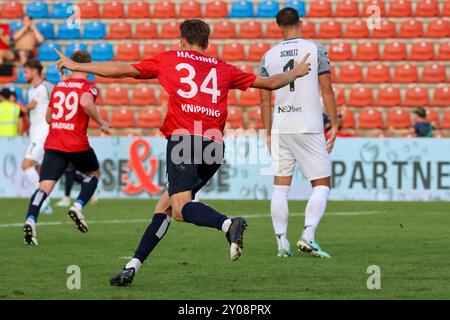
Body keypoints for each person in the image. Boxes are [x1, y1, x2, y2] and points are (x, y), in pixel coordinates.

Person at [55, 18, 312, 286]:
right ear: (207, 42)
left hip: (185, 139)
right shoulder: (223, 67)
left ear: (182, 40)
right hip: (213, 144)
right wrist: (296, 72)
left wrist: (77, 66)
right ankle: (132, 266)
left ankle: (227, 224)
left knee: (180, 209)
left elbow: (123, 69)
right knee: (165, 207)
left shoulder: (171, 59)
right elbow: (270, 84)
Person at [259, 8, 338, 258]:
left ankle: (282, 244)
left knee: (281, 187)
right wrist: (334, 123)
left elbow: (263, 98)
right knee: (322, 184)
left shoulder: (268, 56)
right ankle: (308, 235)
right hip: (308, 125)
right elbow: (327, 90)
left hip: (282, 127)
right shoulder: (316, 49)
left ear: (278, 26)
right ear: (300, 23)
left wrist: (267, 131)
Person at [23, 50, 111, 246]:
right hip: (76, 142)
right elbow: (86, 102)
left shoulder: (59, 87)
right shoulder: (90, 86)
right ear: (88, 65)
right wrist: (100, 122)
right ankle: (78, 206)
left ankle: (31, 219)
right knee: (94, 174)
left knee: (44, 186)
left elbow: (48, 118)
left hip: (54, 142)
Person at [22, 59, 54, 215]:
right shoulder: (31, 90)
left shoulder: (43, 87)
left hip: (43, 132)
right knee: (37, 168)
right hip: (35, 132)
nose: (24, 74)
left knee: (26, 165)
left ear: (34, 71)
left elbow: (31, 106)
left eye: (26, 71)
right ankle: (45, 200)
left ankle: (44, 199)